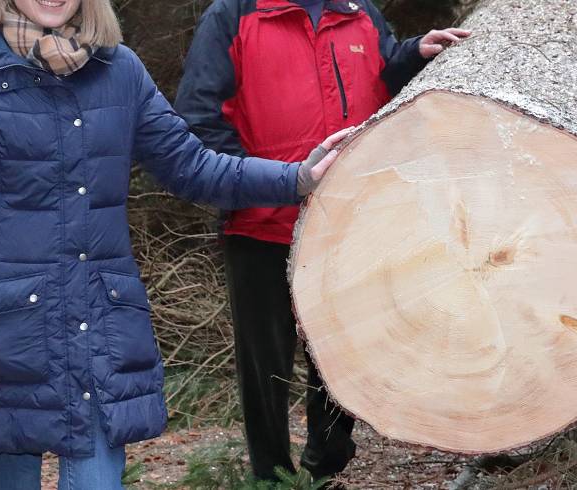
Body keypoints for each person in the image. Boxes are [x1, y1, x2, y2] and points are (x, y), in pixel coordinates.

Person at [0, 0, 351, 487]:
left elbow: (193, 166)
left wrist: (297, 177)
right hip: (5, 335)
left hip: (97, 325)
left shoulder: (119, 69)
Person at [172, 0, 468, 482]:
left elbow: (383, 80)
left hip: (352, 224)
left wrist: (413, 54)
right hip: (262, 225)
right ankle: (270, 478)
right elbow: (200, 120)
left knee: (342, 361)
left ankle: (323, 472)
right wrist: (254, 184)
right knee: (265, 367)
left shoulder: (358, 12)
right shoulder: (234, 15)